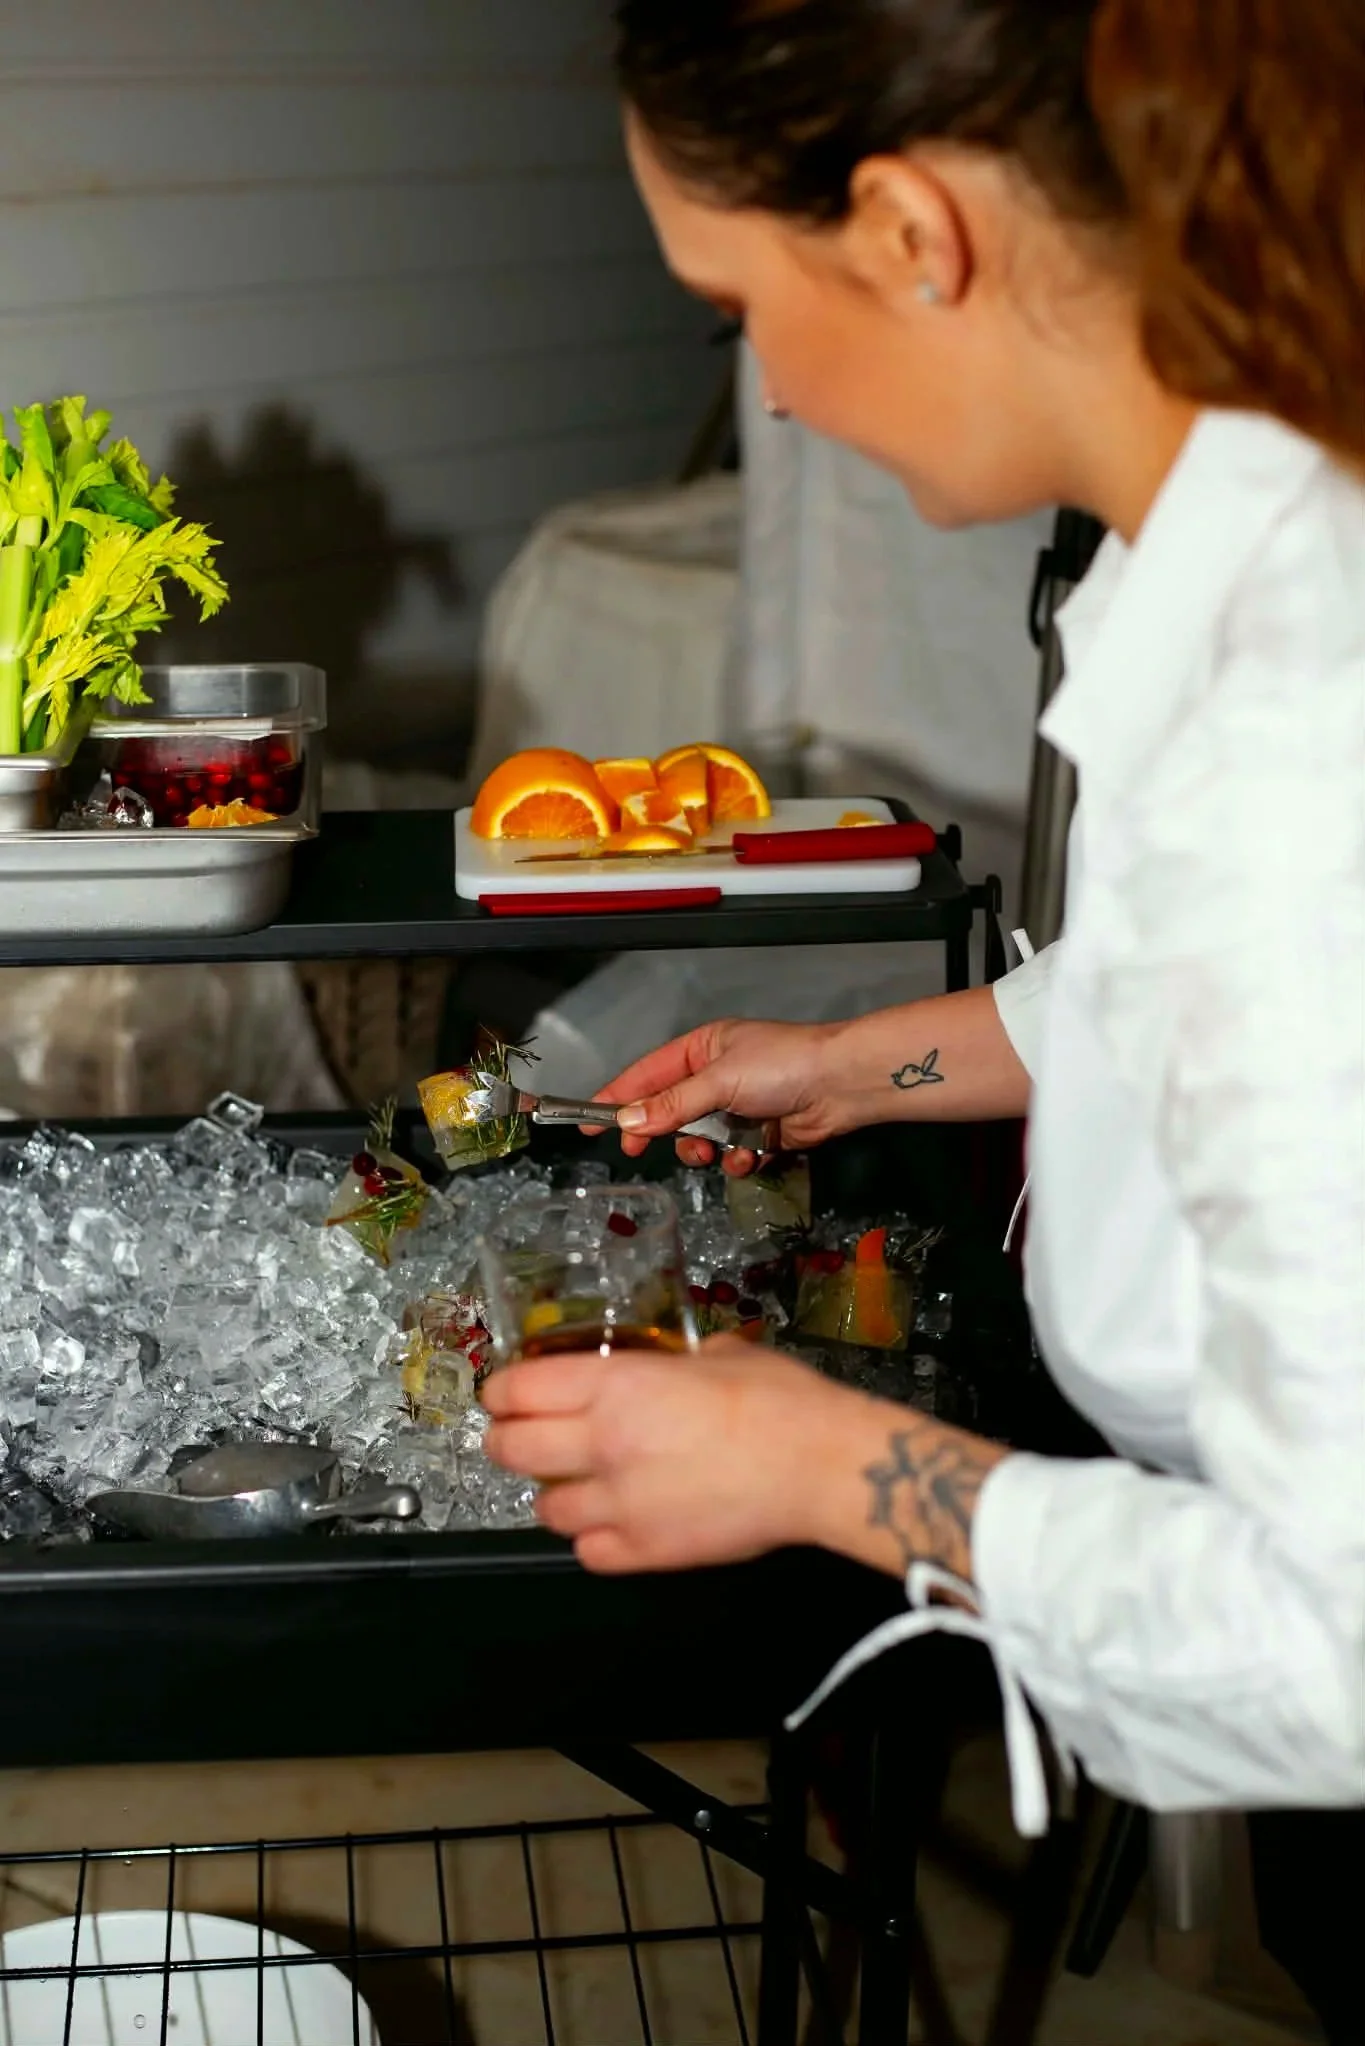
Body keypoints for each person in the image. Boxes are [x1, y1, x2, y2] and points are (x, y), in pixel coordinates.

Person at [484, 2, 1365, 2031]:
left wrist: (826, 1469)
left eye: (731, 306)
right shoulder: (1222, 526)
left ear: (905, 229)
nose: (769, 390)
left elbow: (1335, 1645)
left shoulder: (1294, 714)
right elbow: (1181, 992)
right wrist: (854, 1061)